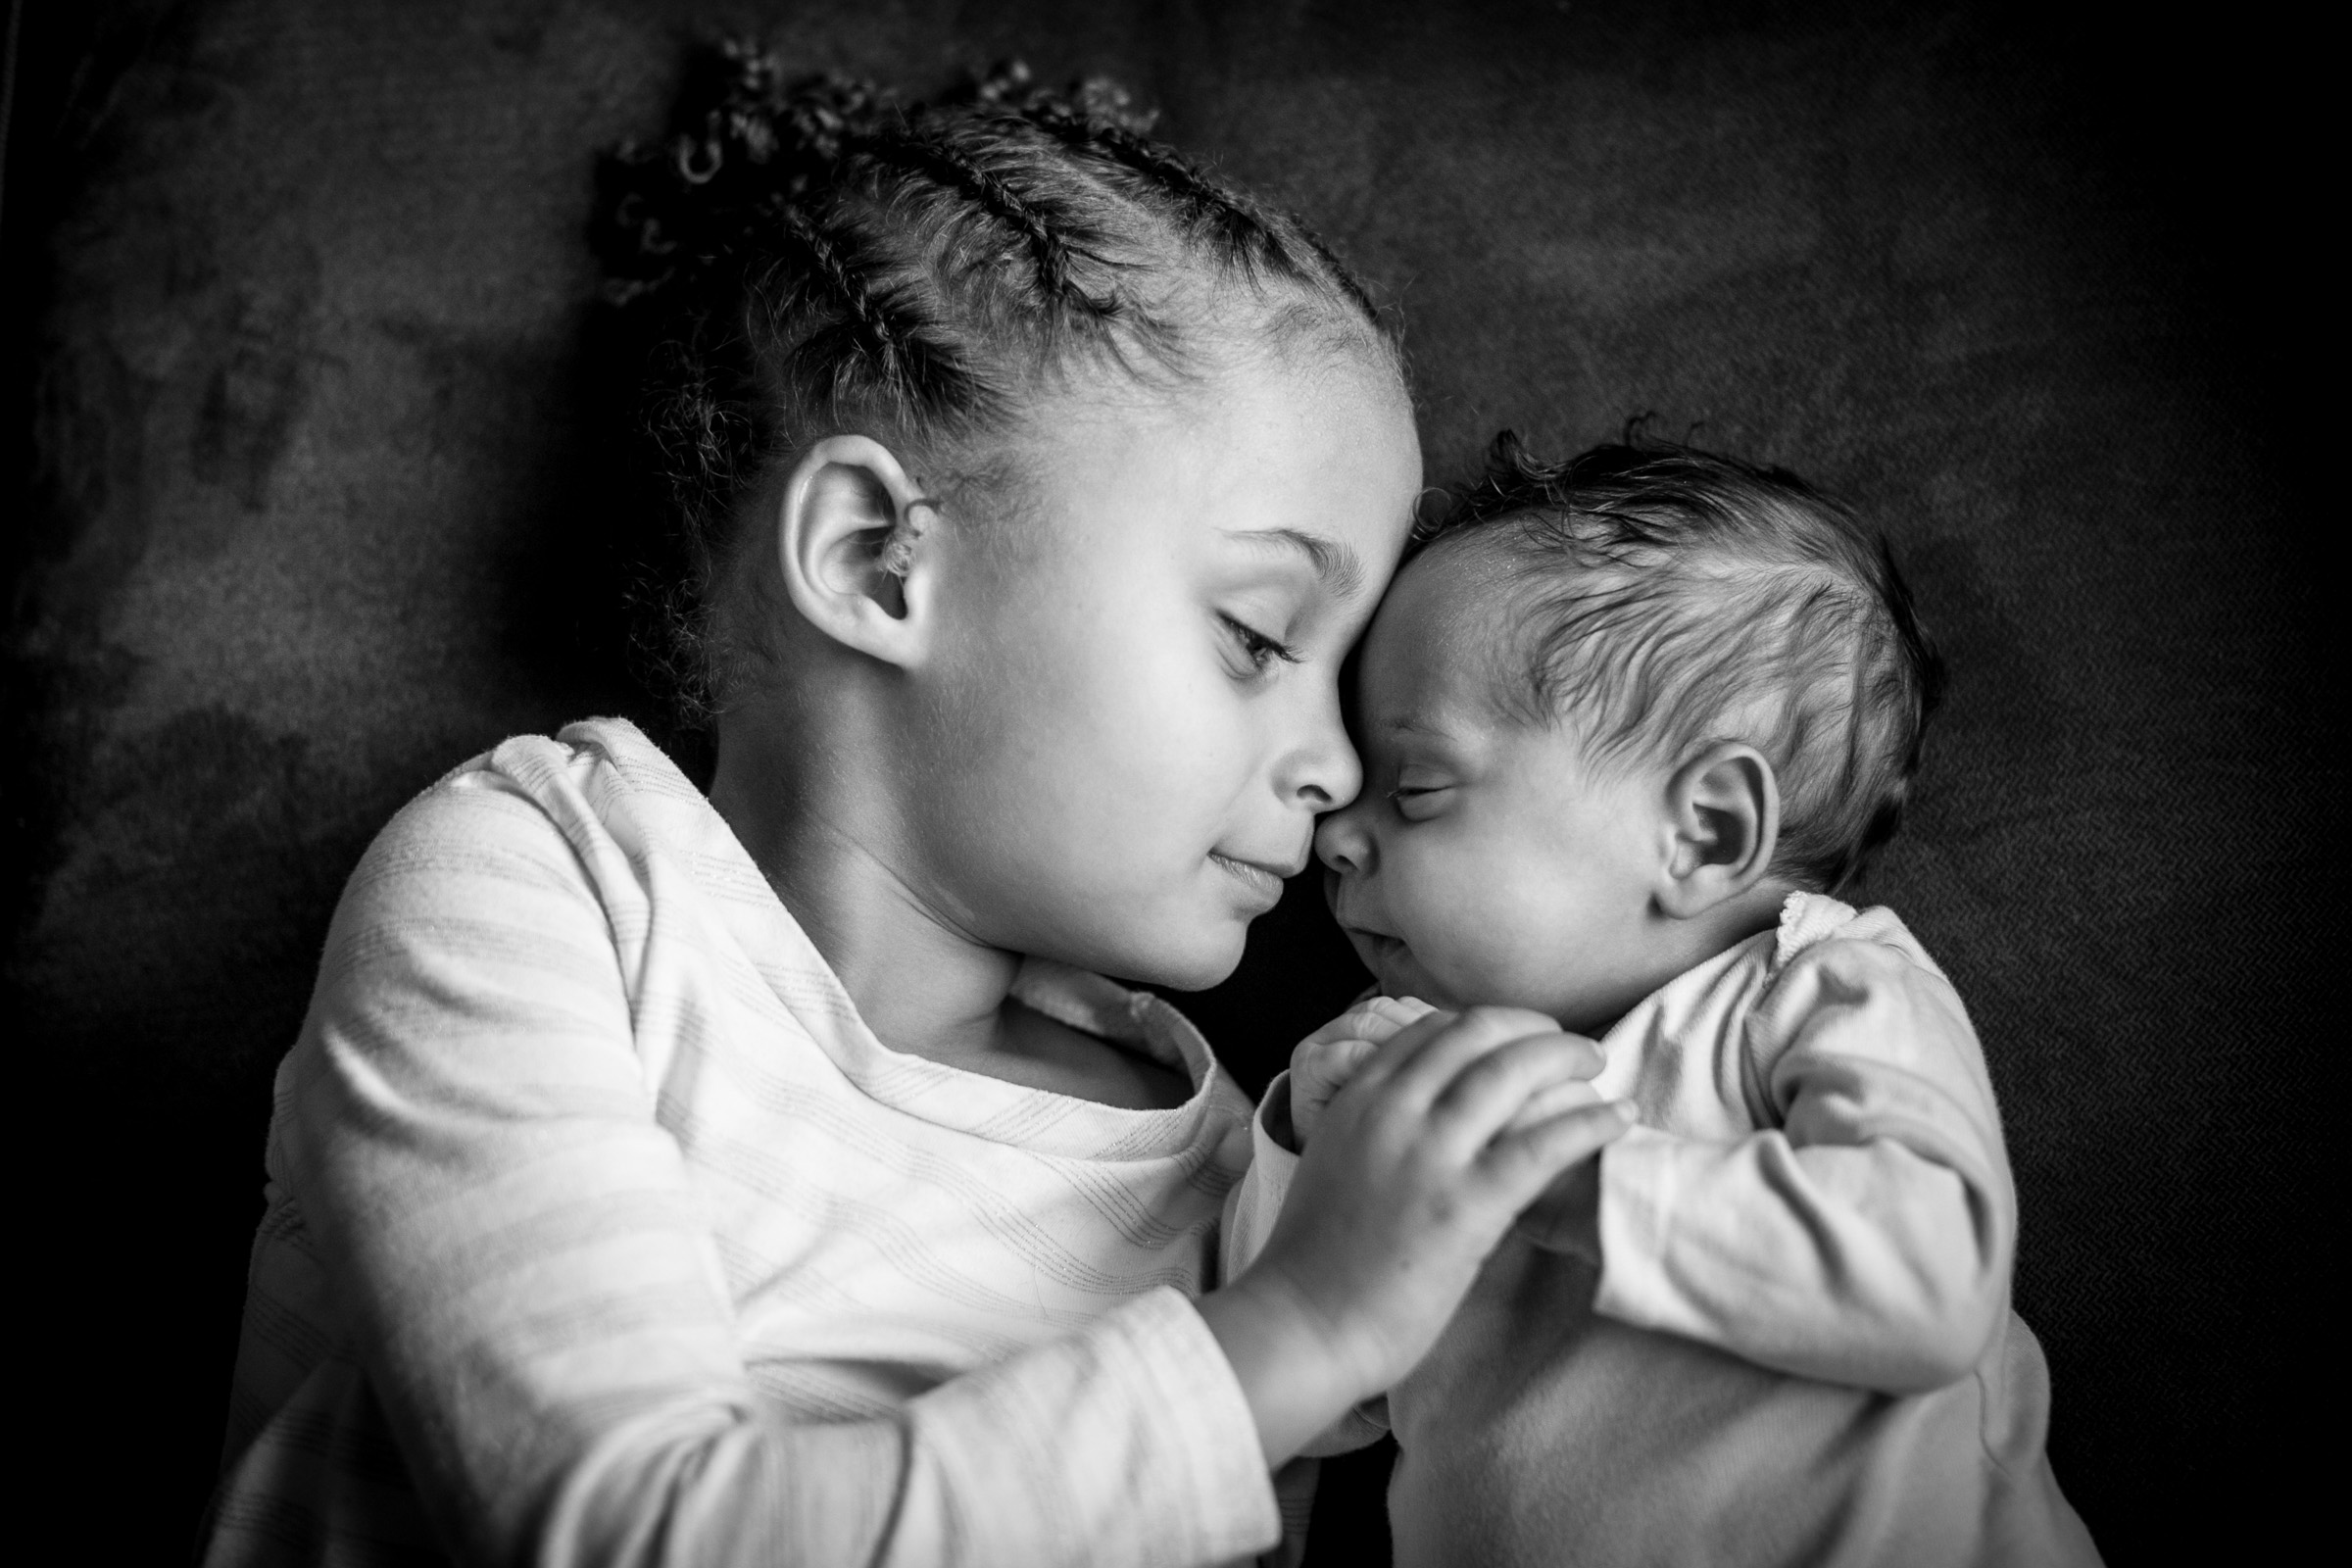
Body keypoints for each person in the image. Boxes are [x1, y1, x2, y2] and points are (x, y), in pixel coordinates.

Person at [197, 52, 1637, 1568]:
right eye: (1260, 638)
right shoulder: (542, 890)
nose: (1337, 768)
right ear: (881, 558)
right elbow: (617, 1527)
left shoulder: (1241, 1168)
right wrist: (1306, 1331)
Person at [1230, 436, 2105, 1566]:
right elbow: (1288, 1396)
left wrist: (1576, 1182)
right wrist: (1303, 1147)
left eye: (1420, 787)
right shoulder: (1406, 1068)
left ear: (1704, 831)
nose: (1338, 831)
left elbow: (1932, 1280)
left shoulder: (1815, 987)